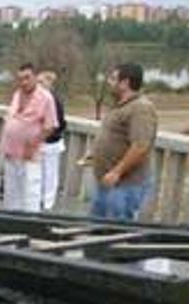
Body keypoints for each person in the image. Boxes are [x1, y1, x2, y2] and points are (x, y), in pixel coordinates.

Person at [85, 63, 158, 220]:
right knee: (95, 230)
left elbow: (140, 146)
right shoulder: (121, 106)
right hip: (107, 182)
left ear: (125, 83)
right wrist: (96, 155)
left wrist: (117, 172)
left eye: (113, 79)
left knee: (116, 233)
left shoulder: (141, 108)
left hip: (124, 186)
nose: (109, 83)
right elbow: (115, 137)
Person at [0, 63, 59, 212]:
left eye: (27, 78)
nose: (23, 82)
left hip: (29, 154)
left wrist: (33, 145)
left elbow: (51, 126)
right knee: (11, 193)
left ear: (35, 77)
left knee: (30, 192)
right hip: (11, 152)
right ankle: (11, 221)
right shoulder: (17, 94)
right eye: (20, 79)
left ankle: (30, 222)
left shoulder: (46, 97)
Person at [37, 71, 67, 211]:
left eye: (41, 83)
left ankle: (48, 203)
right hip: (41, 143)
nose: (38, 86)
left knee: (50, 175)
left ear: (49, 84)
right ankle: (40, 200)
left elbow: (60, 124)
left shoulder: (54, 100)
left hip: (51, 144)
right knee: (40, 173)